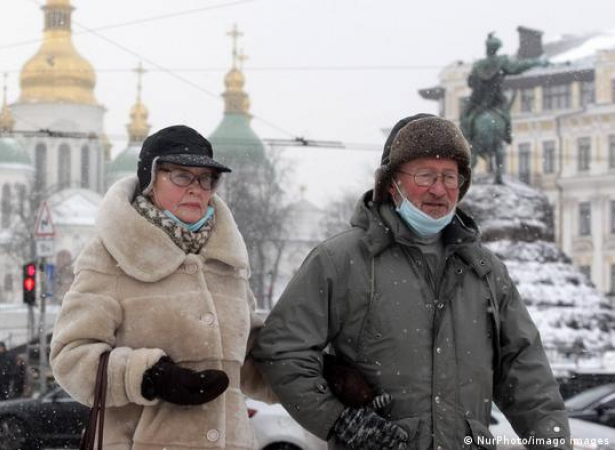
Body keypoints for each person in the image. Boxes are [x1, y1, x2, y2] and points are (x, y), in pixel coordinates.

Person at [252, 114, 571, 450]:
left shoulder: (485, 271)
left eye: (450, 177)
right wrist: (339, 420)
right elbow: (282, 349)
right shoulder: (342, 260)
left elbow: (528, 376)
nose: (439, 189)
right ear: (392, 183)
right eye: (425, 175)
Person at [50, 125, 275, 449]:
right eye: (182, 176)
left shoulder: (225, 259)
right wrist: (149, 376)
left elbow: (250, 358)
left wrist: (313, 369)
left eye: (206, 178)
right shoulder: (112, 254)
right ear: (151, 179)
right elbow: (71, 357)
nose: (197, 188)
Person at [459, 32, 547, 146]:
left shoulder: (478, 65)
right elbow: (517, 67)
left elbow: (470, 82)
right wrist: (537, 62)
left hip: (477, 100)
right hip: (495, 98)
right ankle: (507, 134)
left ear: (487, 49)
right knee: (506, 115)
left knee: (464, 117)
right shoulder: (501, 61)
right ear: (497, 49)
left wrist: (480, 83)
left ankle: (467, 138)